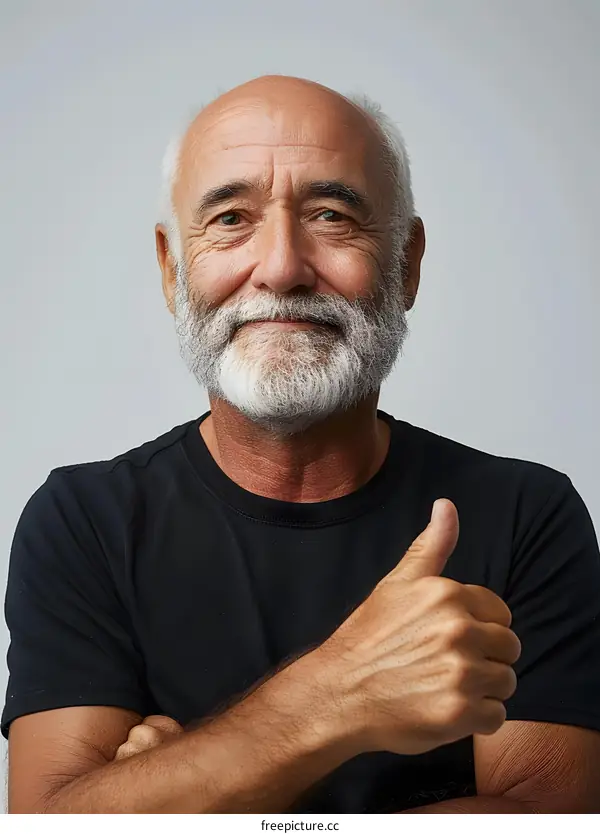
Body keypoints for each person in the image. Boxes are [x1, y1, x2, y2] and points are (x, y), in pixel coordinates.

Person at [3, 75, 600, 815]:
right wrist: (338, 694)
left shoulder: (524, 515)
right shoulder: (82, 522)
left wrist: (189, 794)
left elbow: (546, 823)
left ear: (406, 263)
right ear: (170, 269)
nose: (282, 267)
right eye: (229, 218)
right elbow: (55, 824)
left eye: (330, 216)